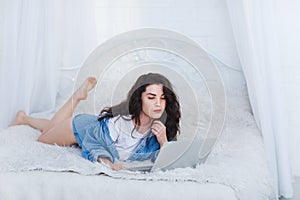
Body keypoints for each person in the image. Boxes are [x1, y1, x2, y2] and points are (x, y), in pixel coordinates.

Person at [11, 73, 181, 170]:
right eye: (151, 97)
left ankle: (24, 119)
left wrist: (164, 142)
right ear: (139, 99)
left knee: (52, 128)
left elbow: (167, 163)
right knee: (44, 138)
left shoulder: (161, 129)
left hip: (92, 129)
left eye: (163, 98)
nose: (158, 103)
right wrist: (108, 164)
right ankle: (77, 97)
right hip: (83, 128)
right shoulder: (121, 123)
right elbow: (95, 144)